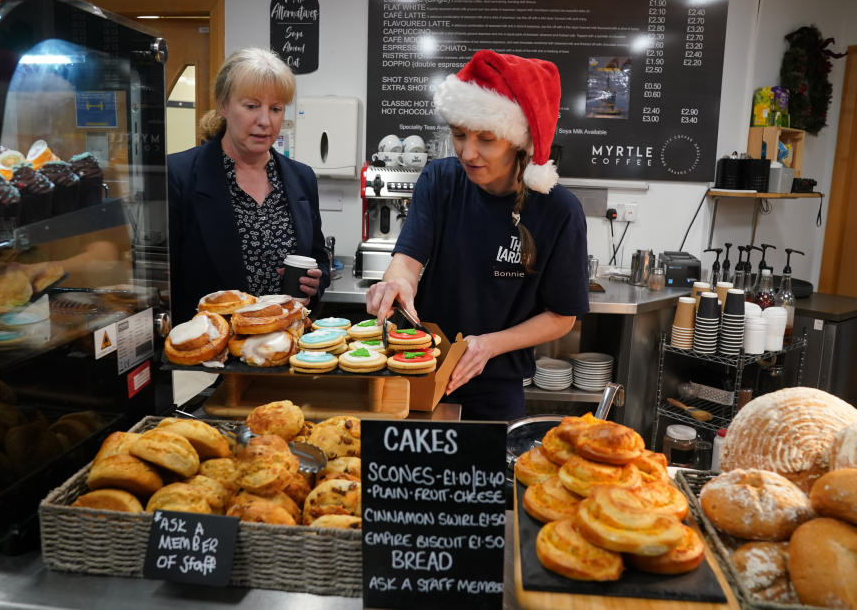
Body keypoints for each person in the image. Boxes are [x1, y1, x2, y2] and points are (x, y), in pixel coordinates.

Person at [366, 50, 589, 421]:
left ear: (518, 141)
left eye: (486, 139)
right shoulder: (439, 181)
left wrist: (488, 345)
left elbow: (561, 316)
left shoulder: (559, 211)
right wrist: (395, 284)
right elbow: (406, 261)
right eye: (458, 135)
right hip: (420, 368)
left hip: (496, 387)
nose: (468, 153)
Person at [168, 47, 330, 324]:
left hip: (284, 348)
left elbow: (317, 257)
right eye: (252, 106)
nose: (265, 121)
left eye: (276, 108)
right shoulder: (179, 175)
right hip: (212, 352)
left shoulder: (301, 178)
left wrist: (317, 280)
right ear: (223, 105)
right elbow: (163, 281)